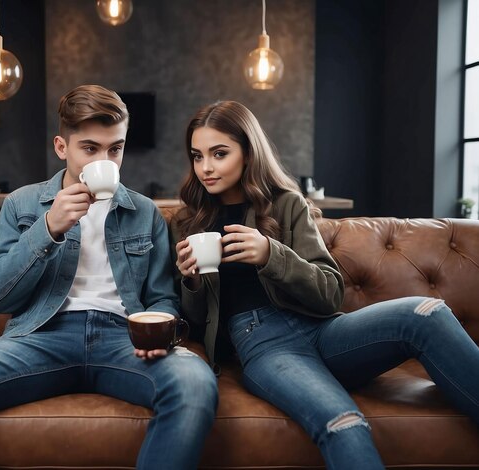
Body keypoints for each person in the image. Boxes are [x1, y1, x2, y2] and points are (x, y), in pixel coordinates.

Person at [0, 85, 218, 470]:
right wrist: (48, 228)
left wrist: (159, 330)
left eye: (115, 149)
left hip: (124, 342)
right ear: (61, 147)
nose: (106, 161)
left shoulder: (144, 212)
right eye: (90, 148)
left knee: (195, 382)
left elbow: (161, 298)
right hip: (42, 337)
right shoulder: (22, 204)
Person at [170, 100, 479, 470]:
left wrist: (271, 254)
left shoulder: (287, 205)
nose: (206, 167)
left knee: (428, 313)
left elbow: (331, 292)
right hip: (264, 346)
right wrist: (190, 281)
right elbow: (194, 322)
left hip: (325, 330)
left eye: (219, 153)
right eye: (197, 156)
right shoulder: (188, 222)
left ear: (249, 153)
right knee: (344, 424)